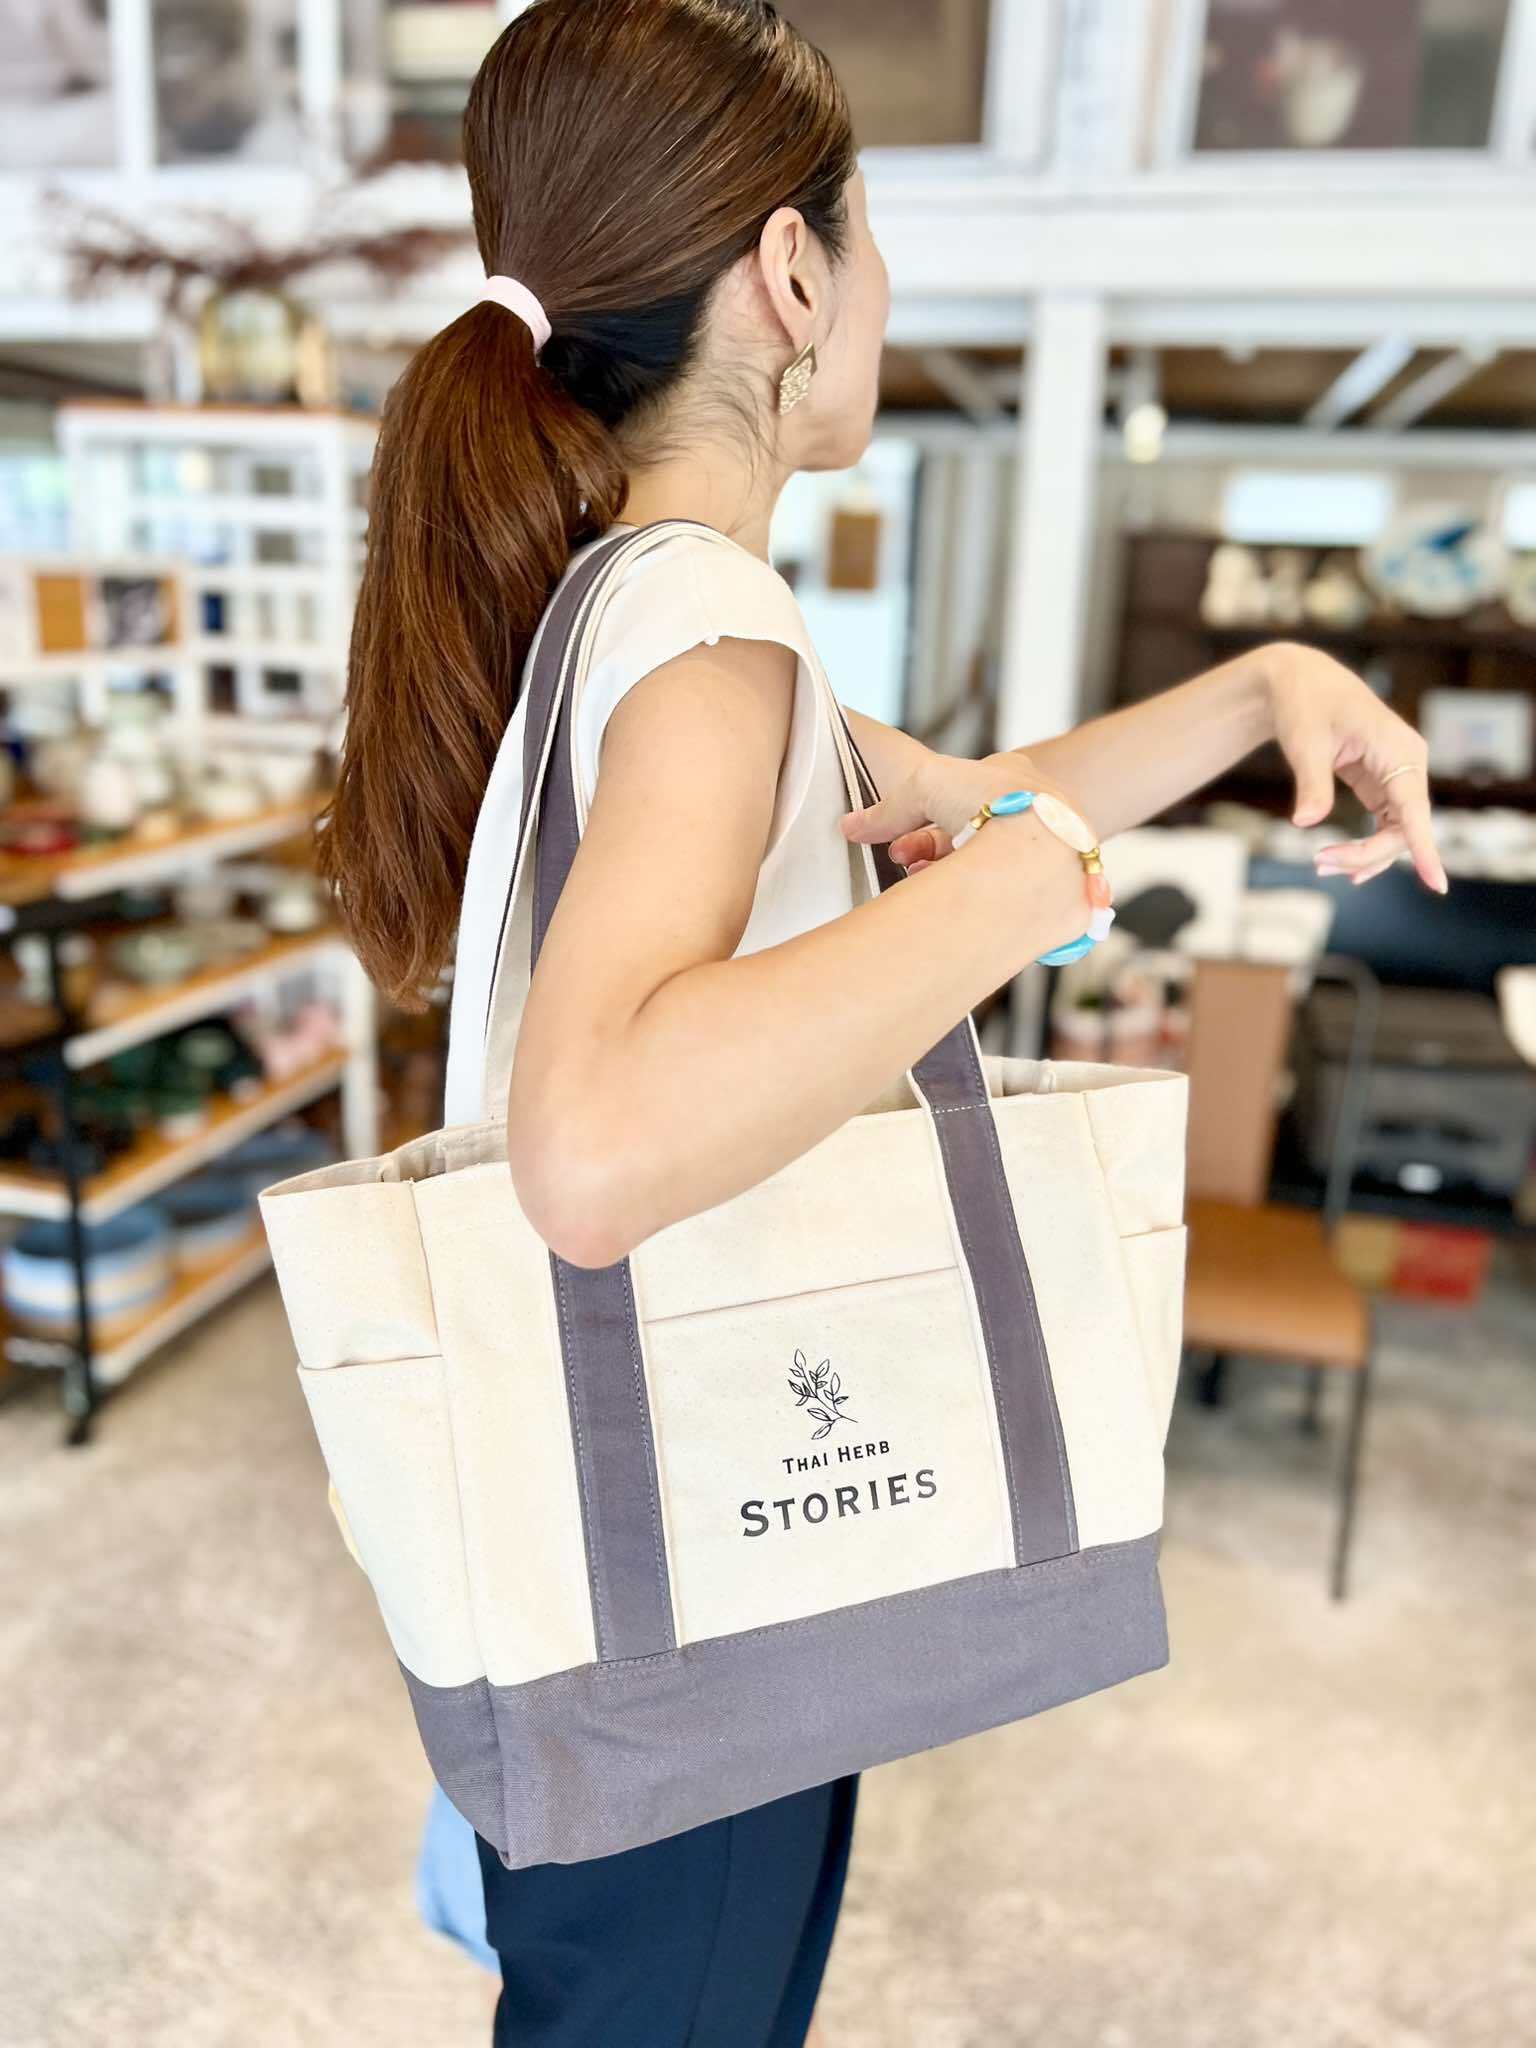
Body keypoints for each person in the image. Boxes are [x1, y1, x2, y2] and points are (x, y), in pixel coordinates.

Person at [318, 5, 1447, 2041]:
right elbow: (594, 1148)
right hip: (703, 1598)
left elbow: (970, 797)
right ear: (791, 269)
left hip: (643, 1565)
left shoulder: (632, 603)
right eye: (874, 235)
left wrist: (1262, 686)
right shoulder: (711, 630)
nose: (884, 287)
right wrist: (1026, 895)